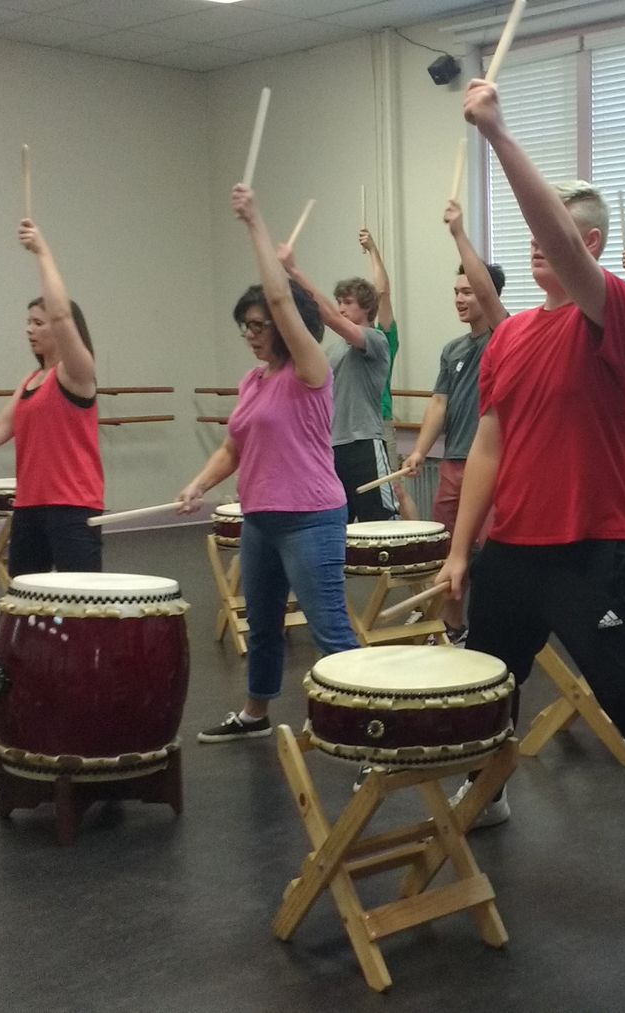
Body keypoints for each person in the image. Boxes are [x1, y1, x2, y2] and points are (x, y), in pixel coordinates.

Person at [440, 76, 625, 931]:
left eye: (560, 236)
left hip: (594, 549)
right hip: (515, 551)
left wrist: (499, 136)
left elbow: (559, 244)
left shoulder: (617, 313)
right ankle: (490, 789)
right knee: (488, 685)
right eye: (538, 235)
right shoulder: (509, 334)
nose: (541, 246)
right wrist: (463, 551)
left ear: (594, 243)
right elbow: (490, 442)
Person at [186, 186, 362, 743]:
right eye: (247, 326)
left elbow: (284, 301)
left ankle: (367, 722)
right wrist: (199, 483)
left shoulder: (310, 371)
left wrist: (254, 221)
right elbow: (234, 447)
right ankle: (256, 715)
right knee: (260, 625)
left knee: (329, 628)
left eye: (259, 326)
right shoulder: (252, 381)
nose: (252, 336)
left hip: (311, 517)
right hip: (259, 518)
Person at [0, 219, 102, 575]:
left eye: (38, 323)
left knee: (82, 605)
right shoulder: (31, 380)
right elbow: (1, 425)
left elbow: (60, 311)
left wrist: (42, 252)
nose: (30, 329)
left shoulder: (77, 373)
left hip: (73, 505)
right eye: (28, 322)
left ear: (62, 328)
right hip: (30, 504)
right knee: (28, 597)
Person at [400, 199, 508, 644]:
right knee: (450, 549)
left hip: (494, 467)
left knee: (488, 555)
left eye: (469, 292)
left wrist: (459, 233)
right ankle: (453, 625)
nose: (461, 300)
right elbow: (438, 404)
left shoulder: (505, 337)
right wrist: (421, 451)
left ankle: (493, 631)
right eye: (456, 292)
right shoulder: (453, 350)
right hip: (452, 465)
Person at [282, 247, 395, 523]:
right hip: (331, 447)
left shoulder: (375, 340)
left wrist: (295, 271)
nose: (341, 307)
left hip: (364, 444)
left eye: (347, 302)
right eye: (339, 301)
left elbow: (331, 318)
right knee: (334, 526)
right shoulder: (331, 353)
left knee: (379, 524)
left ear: (367, 307)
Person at [355, 227, 419, 521]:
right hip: (350, 431)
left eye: (349, 304)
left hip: (379, 423)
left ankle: (419, 553)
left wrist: (373, 250)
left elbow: (382, 292)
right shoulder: (342, 349)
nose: (342, 309)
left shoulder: (382, 341)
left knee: (396, 490)